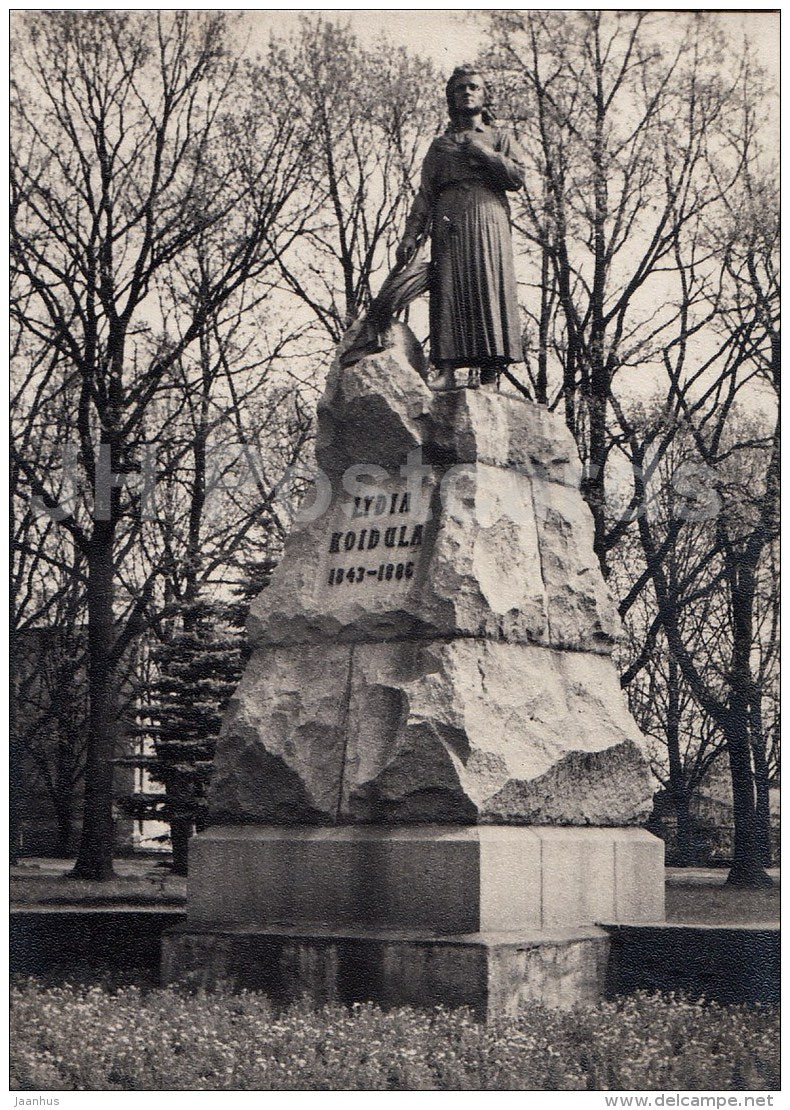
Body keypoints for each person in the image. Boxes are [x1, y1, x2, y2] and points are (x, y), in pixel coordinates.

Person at [396, 65, 526, 391]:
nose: (467, 92)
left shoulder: (500, 138)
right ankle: (447, 369)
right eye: (460, 89)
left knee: (488, 286)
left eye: (473, 87)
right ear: (451, 98)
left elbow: (516, 178)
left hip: (488, 218)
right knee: (448, 289)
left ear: (484, 95)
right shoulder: (440, 146)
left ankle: (491, 374)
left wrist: (483, 154)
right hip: (449, 219)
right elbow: (425, 195)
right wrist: (411, 235)